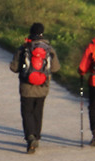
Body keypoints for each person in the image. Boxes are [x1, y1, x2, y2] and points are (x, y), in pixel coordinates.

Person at [9, 22, 59, 154]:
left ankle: (30, 137)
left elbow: (13, 68)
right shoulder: (48, 49)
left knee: (27, 112)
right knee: (38, 112)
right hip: (43, 87)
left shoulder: (24, 48)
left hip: (26, 87)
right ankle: (36, 135)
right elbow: (55, 68)